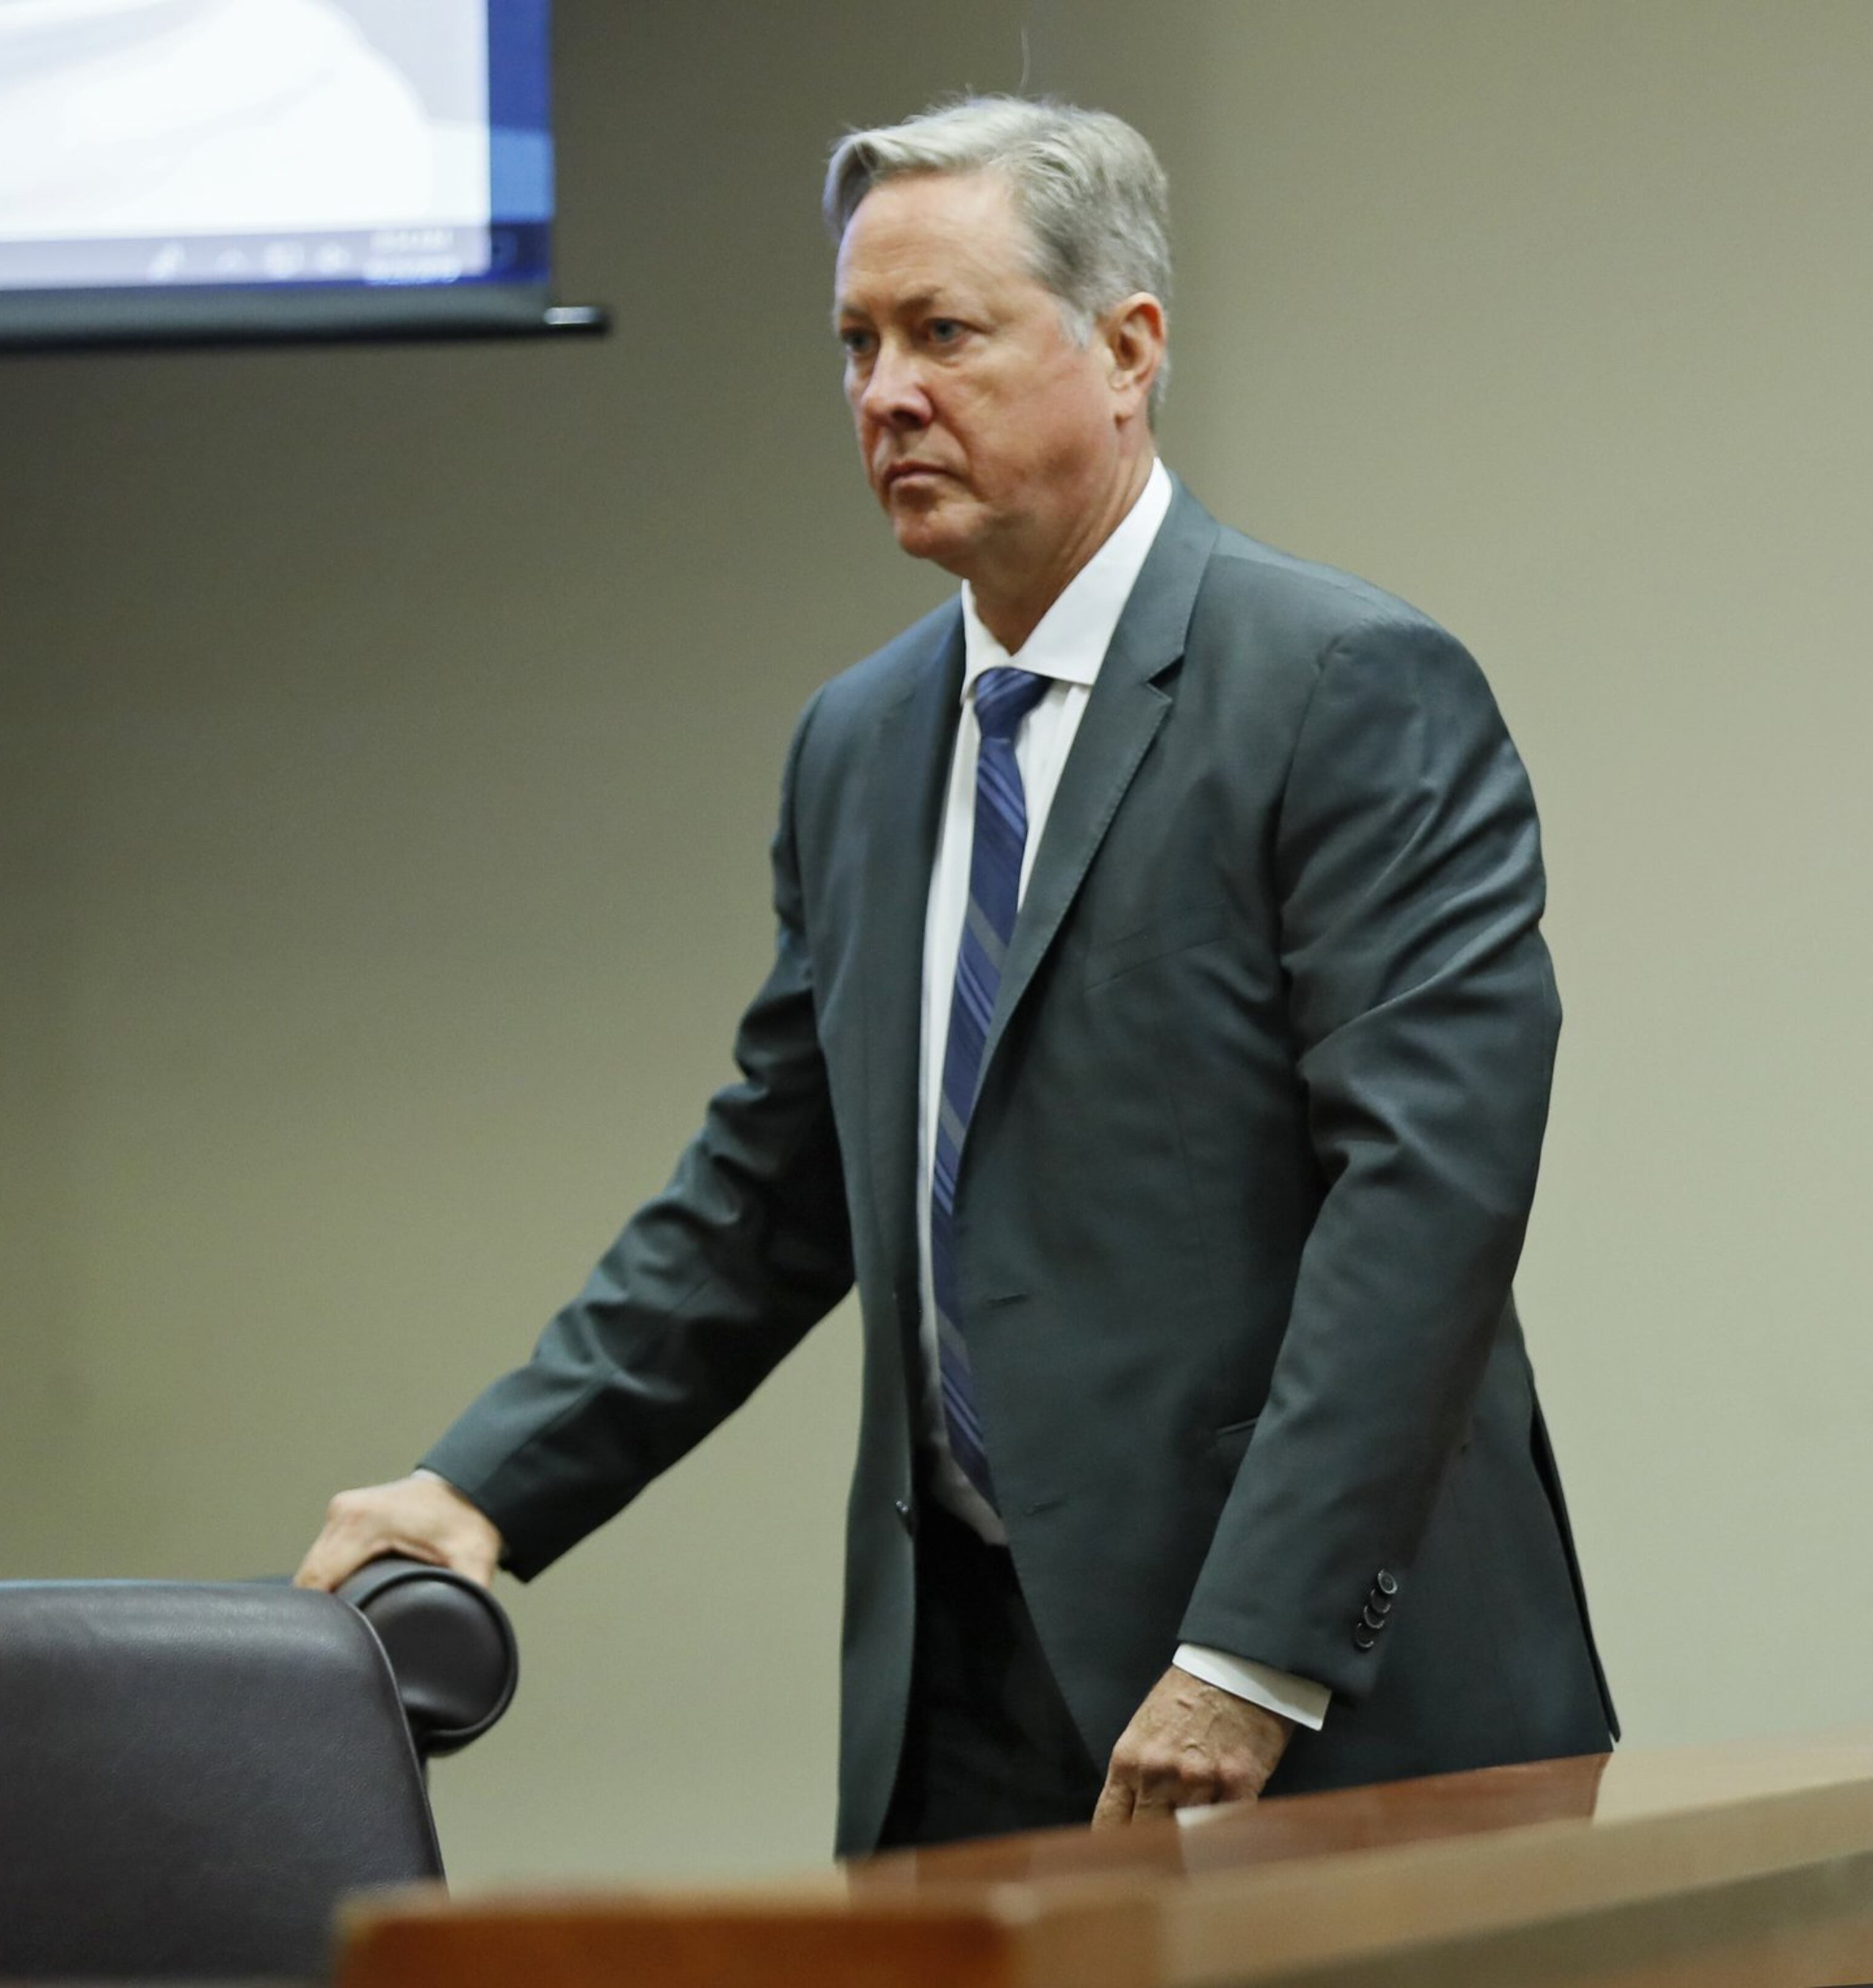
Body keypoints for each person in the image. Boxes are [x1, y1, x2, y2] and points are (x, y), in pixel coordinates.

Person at [297, 95, 1617, 1854]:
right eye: (855, 343)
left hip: (1308, 1701)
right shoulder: (858, 744)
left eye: (944, 332)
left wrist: (1253, 1649)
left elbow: (1427, 1199)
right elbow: (770, 1192)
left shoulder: (1344, 688)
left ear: (1128, 348)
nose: (885, 393)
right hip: (964, 1695)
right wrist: (483, 1485)